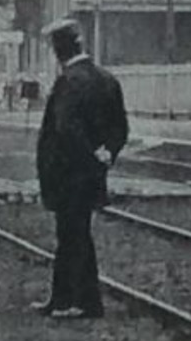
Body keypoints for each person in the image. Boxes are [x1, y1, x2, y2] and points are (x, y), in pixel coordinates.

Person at [34, 18, 128, 320]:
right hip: (92, 174)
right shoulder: (106, 79)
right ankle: (66, 298)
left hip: (67, 173)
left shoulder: (68, 82)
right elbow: (121, 128)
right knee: (76, 234)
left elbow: (66, 130)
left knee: (72, 236)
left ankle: (81, 302)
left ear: (59, 50)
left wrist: (84, 155)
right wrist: (106, 154)